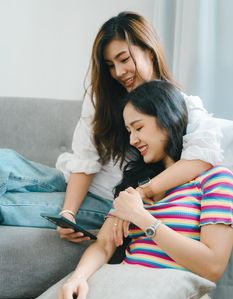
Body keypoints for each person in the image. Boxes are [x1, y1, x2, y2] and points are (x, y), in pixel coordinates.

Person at [2, 81, 231, 299]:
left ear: (166, 117)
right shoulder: (134, 188)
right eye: (129, 131)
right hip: (119, 295)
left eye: (139, 127)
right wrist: (78, 278)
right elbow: (104, 244)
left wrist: (144, 219)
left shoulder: (215, 179)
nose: (133, 140)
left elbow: (213, 266)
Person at [1, 12, 232, 245]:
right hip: (70, 181)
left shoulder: (183, 106)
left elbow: (202, 156)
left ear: (149, 52)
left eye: (124, 59)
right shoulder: (102, 99)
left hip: (106, 202)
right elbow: (84, 159)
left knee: (5, 205)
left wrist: (142, 192)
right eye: (111, 65)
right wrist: (68, 213)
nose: (119, 72)